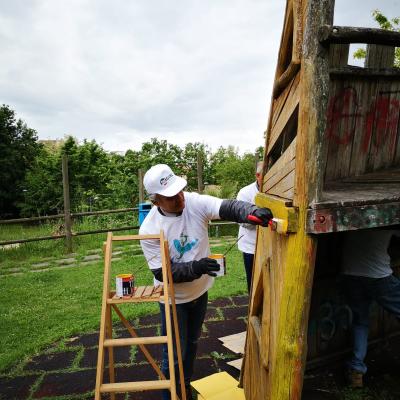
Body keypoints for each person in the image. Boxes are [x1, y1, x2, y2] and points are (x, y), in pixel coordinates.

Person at [139, 164, 273, 399]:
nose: (179, 198)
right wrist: (197, 267)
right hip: (173, 300)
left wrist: (251, 211)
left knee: (191, 344)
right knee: (173, 353)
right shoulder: (149, 228)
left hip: (200, 292)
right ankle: (171, 395)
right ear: (156, 201)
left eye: (180, 190)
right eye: (171, 197)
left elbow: (227, 207)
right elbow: (163, 272)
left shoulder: (193, 201)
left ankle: (185, 388)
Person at [341, 228, 400, 388]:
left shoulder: (352, 213)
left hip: (351, 273)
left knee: (360, 322)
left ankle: (356, 370)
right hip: (379, 277)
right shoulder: (388, 214)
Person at [236, 161, 264, 292]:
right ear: (257, 175)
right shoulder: (245, 193)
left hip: (272, 245)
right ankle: (253, 308)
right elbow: (240, 219)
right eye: (265, 175)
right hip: (251, 246)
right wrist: (258, 219)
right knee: (253, 281)